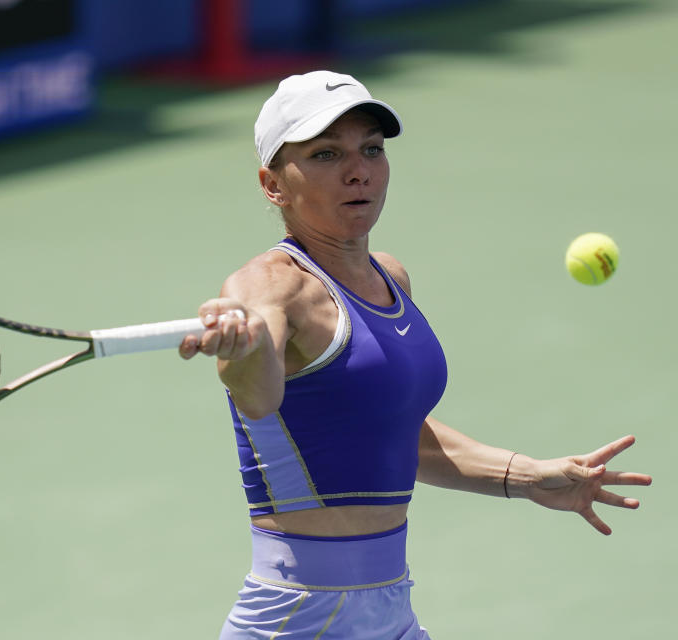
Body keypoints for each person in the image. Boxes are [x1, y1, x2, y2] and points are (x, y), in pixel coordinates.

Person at [178, 70, 653, 639]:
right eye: (326, 154)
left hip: (389, 613)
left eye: (371, 150)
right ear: (272, 183)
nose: (359, 170)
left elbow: (391, 429)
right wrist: (242, 349)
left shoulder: (391, 278)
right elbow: (258, 397)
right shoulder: (269, 287)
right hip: (299, 619)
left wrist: (525, 476)